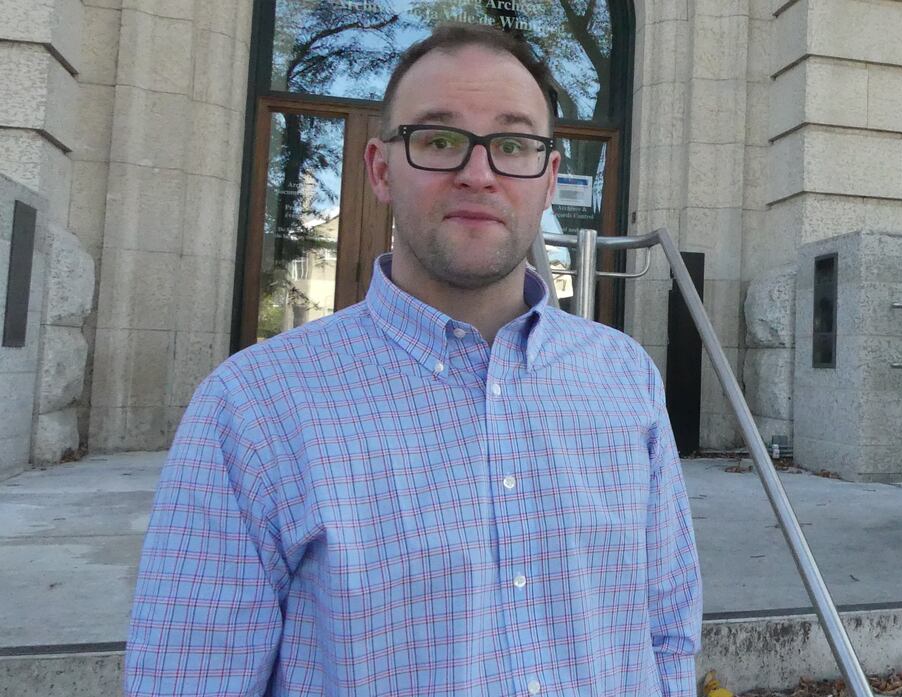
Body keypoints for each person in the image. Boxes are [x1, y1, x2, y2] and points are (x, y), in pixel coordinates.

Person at [125, 23, 701, 696]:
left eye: (512, 144)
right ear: (380, 169)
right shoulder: (251, 409)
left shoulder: (624, 378)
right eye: (438, 140)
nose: (478, 173)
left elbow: (666, 627)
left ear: (548, 179)